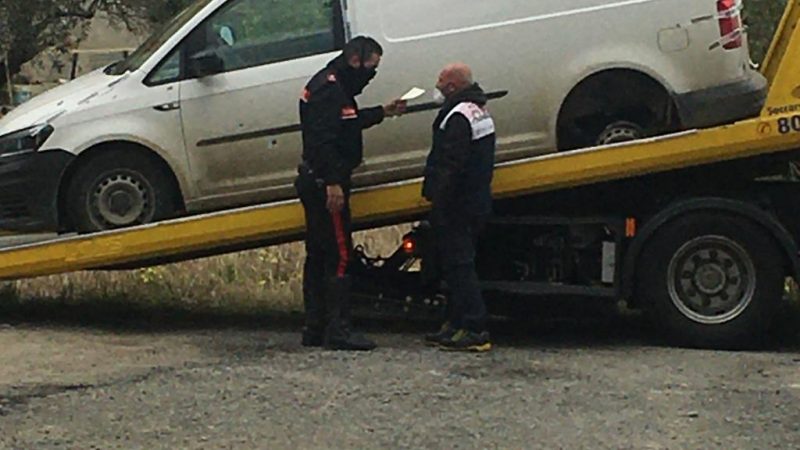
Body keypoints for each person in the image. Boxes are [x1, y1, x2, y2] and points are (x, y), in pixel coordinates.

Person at [296, 36, 406, 351]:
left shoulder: (333, 85)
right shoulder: (330, 90)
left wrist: (383, 112)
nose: (371, 75)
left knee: (318, 254)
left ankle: (315, 327)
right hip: (325, 183)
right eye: (371, 68)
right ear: (355, 60)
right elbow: (322, 140)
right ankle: (338, 330)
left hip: (315, 179)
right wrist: (333, 182)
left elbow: (347, 122)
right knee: (340, 255)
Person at [422, 63, 496, 352]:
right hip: (475, 200)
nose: (437, 87)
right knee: (455, 266)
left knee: (460, 266)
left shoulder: (457, 116)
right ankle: (455, 324)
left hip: (459, 204)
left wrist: (435, 196)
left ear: (452, 86)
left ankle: (475, 328)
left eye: (441, 82)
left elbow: (450, 163)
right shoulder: (478, 110)